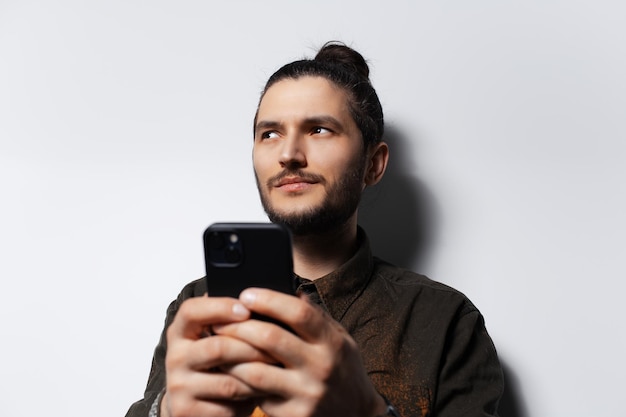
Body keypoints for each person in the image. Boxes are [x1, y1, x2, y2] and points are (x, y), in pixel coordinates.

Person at [126, 41, 504, 417]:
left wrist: (365, 411)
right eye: (269, 133)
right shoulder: (199, 305)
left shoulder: (445, 321)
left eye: (319, 129)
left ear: (374, 164)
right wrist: (168, 410)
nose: (288, 153)